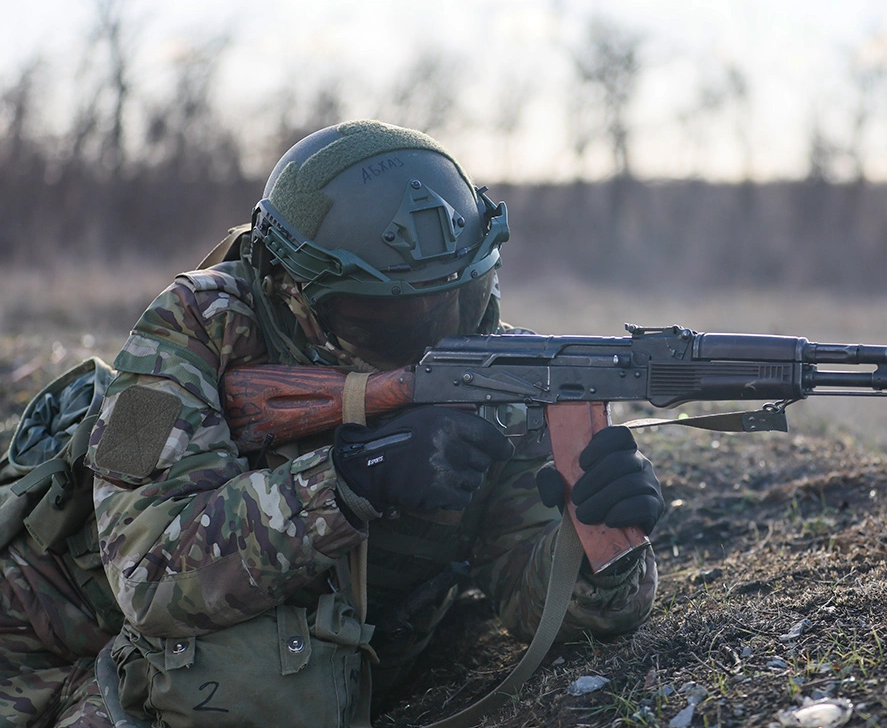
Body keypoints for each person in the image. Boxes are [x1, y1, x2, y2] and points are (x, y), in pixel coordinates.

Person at [0, 120, 662, 727]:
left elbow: (531, 594)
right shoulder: (176, 336)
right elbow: (146, 566)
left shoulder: (492, 372)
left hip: (214, 666)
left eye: (458, 301)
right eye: (393, 321)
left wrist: (602, 542)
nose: (430, 338)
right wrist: (350, 476)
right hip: (45, 646)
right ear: (295, 291)